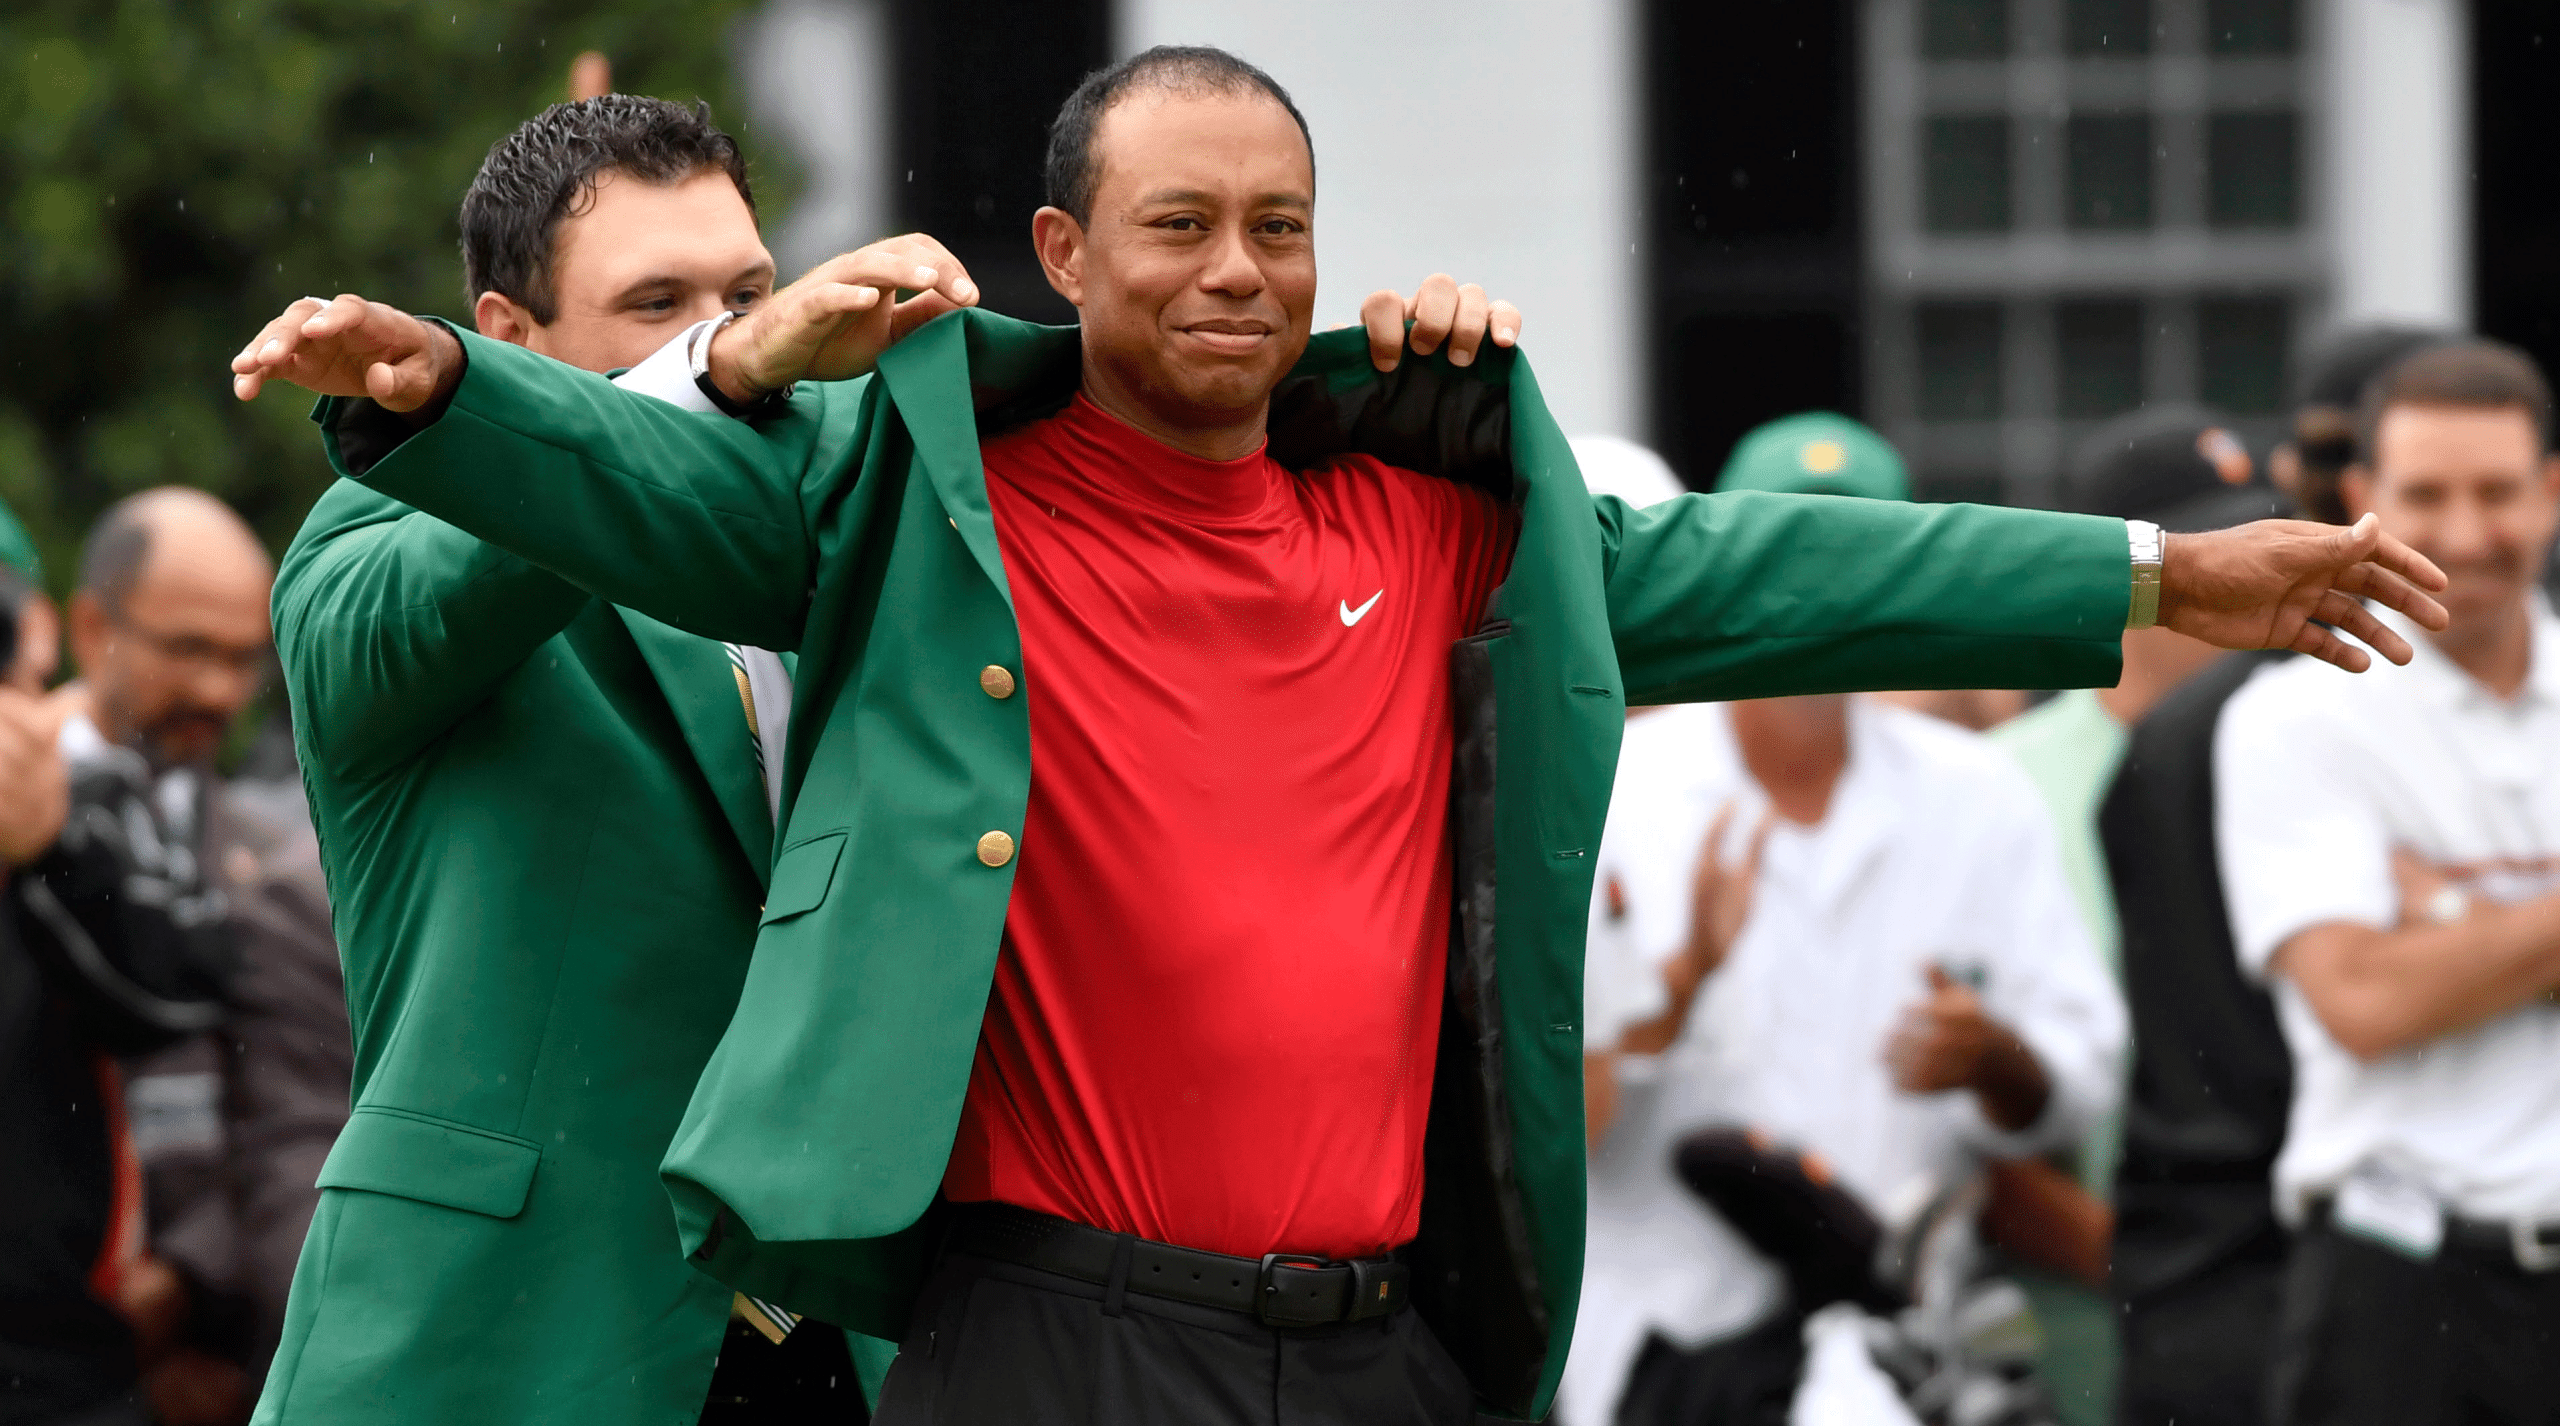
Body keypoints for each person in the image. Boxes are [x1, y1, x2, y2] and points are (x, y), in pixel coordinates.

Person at [230, 45, 2445, 1424]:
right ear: (1057, 249)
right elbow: (543, 503)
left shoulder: (1400, 499)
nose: (1230, 268)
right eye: (661, 308)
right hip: (587, 1336)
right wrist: (480, 390)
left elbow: (1755, 576)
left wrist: (2149, 568)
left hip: (1090, 1333)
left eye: (1273, 230)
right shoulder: (841, 481)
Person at [240, 87, 1518, 1426]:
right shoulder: (383, 526)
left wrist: (1389, 424)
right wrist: (718, 375)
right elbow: (455, 565)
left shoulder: (887, 549)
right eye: (657, 304)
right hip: (500, 1350)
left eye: (745, 290)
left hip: (861, 1345)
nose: (730, 328)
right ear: (507, 339)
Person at [1560, 414, 2126, 1425]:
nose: (1818, 601)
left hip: (1908, 1353)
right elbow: (1545, 1121)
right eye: (1786, 560)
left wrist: (1999, 1061)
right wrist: (1675, 991)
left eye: (1852, 564)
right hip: (1669, 1354)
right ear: (1723, 566)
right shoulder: (1612, 785)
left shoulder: (1978, 796)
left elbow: (2077, 1074)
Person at [2100, 326, 2442, 1426]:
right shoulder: (2227, 728)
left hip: (2242, 1282)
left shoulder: (2194, 728)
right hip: (2320, 1276)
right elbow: (2331, 1016)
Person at [2217, 339, 2560, 1425]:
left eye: (2498, 491)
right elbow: (2363, 1000)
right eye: (2427, 494)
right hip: (2393, 1295)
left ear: (2552, 489)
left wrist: (2449, 917)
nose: (2467, 533)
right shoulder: (2294, 714)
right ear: (2360, 500)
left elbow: (2397, 978)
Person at [1979, 408, 2284, 1426]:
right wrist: (2180, 1269)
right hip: (2079, 1328)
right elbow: (1968, 1125)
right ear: (2127, 581)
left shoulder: (2309, 749)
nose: (2249, 574)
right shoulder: (2002, 788)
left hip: (2307, 1309)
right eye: (2208, 553)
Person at [48, 489, 340, 1426]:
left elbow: (294, 1116)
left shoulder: (280, 866)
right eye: (189, 651)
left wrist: (200, 1284)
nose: (219, 692)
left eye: (242, 660)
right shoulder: (25, 818)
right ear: (94, 628)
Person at [0, 499, 235, 1426]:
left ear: (41, 639)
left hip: (58, 1362)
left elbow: (181, 994)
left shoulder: (91, 800)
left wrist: (50, 841)